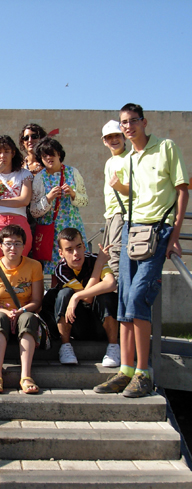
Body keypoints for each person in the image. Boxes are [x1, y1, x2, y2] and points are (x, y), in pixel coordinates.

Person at [94, 103, 189, 398]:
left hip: (158, 230)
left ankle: (143, 373)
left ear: (144, 122)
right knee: (123, 300)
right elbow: (136, 194)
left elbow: (182, 188)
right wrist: (119, 187)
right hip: (132, 230)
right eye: (124, 122)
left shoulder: (166, 147)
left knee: (138, 298)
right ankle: (125, 370)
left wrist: (174, 234)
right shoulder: (130, 158)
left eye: (133, 121)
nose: (128, 126)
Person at [42, 228, 120, 366]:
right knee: (64, 294)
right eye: (69, 250)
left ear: (84, 246)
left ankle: (113, 346)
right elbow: (87, 298)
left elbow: (111, 284)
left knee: (106, 295)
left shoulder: (95, 259)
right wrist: (99, 266)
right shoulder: (62, 269)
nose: (76, 254)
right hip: (78, 326)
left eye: (79, 247)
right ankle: (66, 346)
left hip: (100, 324)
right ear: (61, 253)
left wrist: (77, 296)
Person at [0, 224, 43, 394]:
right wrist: (6, 312)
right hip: (0, 314)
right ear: (0, 245)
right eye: (8, 243)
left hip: (24, 313)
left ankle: (26, 375)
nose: (13, 247)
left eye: (17, 243)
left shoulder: (34, 266)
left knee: (29, 318)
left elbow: (37, 301)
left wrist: (21, 311)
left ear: (24, 246)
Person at [0, 135, 34, 307]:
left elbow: (24, 199)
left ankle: (20, 309)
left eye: (7, 151)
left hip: (18, 221)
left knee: (20, 265)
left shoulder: (24, 174)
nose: (3, 155)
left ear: (13, 153)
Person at [30, 136, 89, 282]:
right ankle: (58, 302)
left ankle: (80, 300)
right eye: (44, 156)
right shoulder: (39, 178)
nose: (49, 158)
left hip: (73, 227)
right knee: (56, 272)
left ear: (59, 155)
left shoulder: (73, 172)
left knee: (78, 266)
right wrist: (48, 198)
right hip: (52, 232)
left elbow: (85, 201)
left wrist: (74, 194)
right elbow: (34, 211)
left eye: (52, 154)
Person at [100, 120, 129, 278]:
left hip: (122, 213)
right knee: (108, 256)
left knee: (115, 257)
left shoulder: (131, 158)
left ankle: (117, 297)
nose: (114, 140)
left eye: (117, 135)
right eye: (109, 137)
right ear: (104, 141)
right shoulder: (109, 162)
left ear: (124, 137)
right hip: (110, 215)